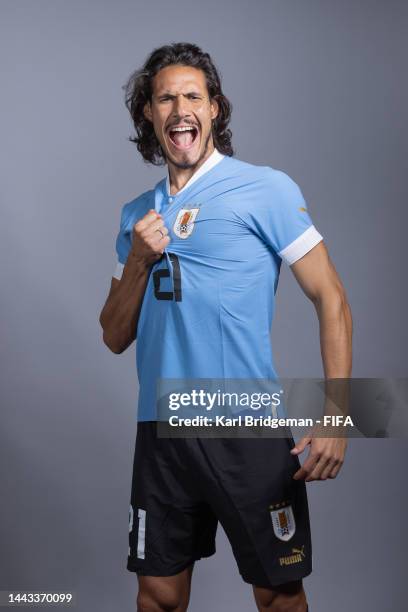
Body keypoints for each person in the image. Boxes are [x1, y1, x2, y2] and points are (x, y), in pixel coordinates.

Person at [99, 42, 352, 612]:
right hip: (160, 427)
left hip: (242, 422)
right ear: (148, 113)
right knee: (157, 597)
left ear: (215, 108)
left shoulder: (266, 188)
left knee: (280, 598)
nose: (179, 108)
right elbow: (114, 335)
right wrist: (138, 259)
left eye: (193, 96)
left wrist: (338, 418)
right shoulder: (134, 214)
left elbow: (332, 298)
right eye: (165, 98)